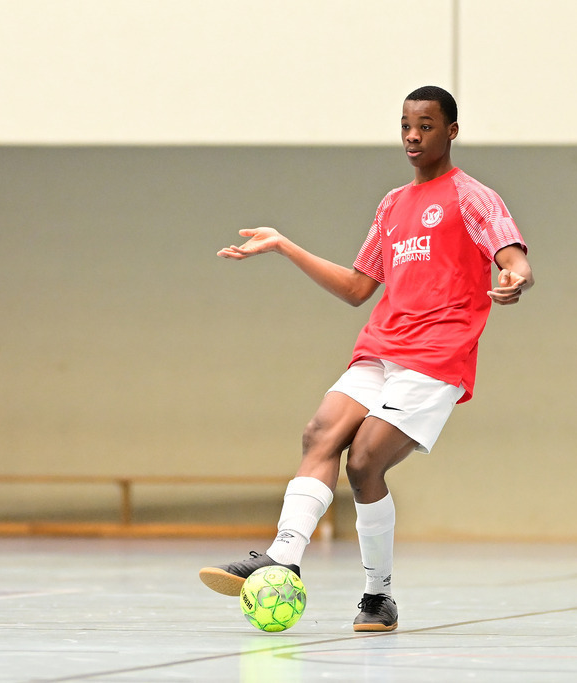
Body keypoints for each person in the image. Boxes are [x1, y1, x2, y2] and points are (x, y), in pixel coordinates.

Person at [200, 85, 533, 632]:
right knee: (320, 433)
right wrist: (285, 245)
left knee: (363, 464)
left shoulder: (473, 198)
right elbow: (359, 287)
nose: (412, 135)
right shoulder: (391, 205)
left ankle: (378, 596)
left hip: (435, 357)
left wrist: (515, 277)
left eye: (425, 125)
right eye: (405, 124)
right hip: (381, 346)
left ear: (451, 131)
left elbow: (511, 254)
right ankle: (282, 558)